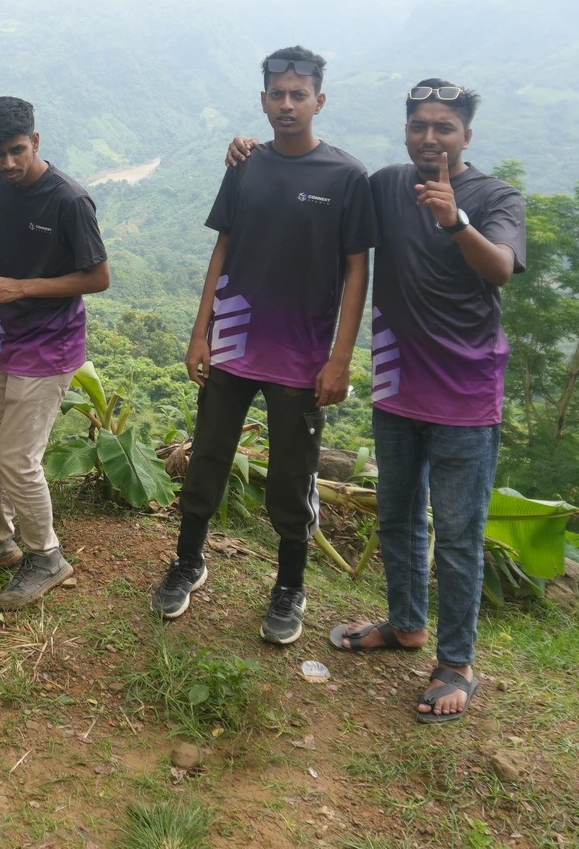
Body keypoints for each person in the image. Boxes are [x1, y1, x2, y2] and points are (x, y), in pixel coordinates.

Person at [305, 80, 524, 723]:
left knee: (458, 535)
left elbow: (501, 267)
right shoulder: (388, 185)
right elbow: (326, 184)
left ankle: (457, 662)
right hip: (398, 384)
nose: (431, 138)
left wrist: (455, 220)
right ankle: (405, 625)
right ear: (406, 132)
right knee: (397, 516)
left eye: (444, 127)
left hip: (465, 394)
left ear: (466, 136)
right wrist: (250, 152)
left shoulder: (495, 197)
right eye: (419, 126)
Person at [155, 46, 373, 646]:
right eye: (277, 94)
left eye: (298, 94)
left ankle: (289, 586)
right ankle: (188, 561)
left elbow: (358, 270)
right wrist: (200, 331)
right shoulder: (245, 165)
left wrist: (340, 358)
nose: (286, 104)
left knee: (292, 477)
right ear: (263, 100)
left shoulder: (346, 177)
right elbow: (223, 246)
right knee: (208, 457)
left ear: (319, 101)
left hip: (302, 356)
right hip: (232, 341)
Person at [0, 96, 110, 610]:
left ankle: (46, 557)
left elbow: (98, 277)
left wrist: (20, 288)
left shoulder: (69, 200)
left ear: (36, 141)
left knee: (19, 459)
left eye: (17, 150)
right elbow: (5, 240)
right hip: (13, 335)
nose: (8, 163)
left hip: (53, 342)